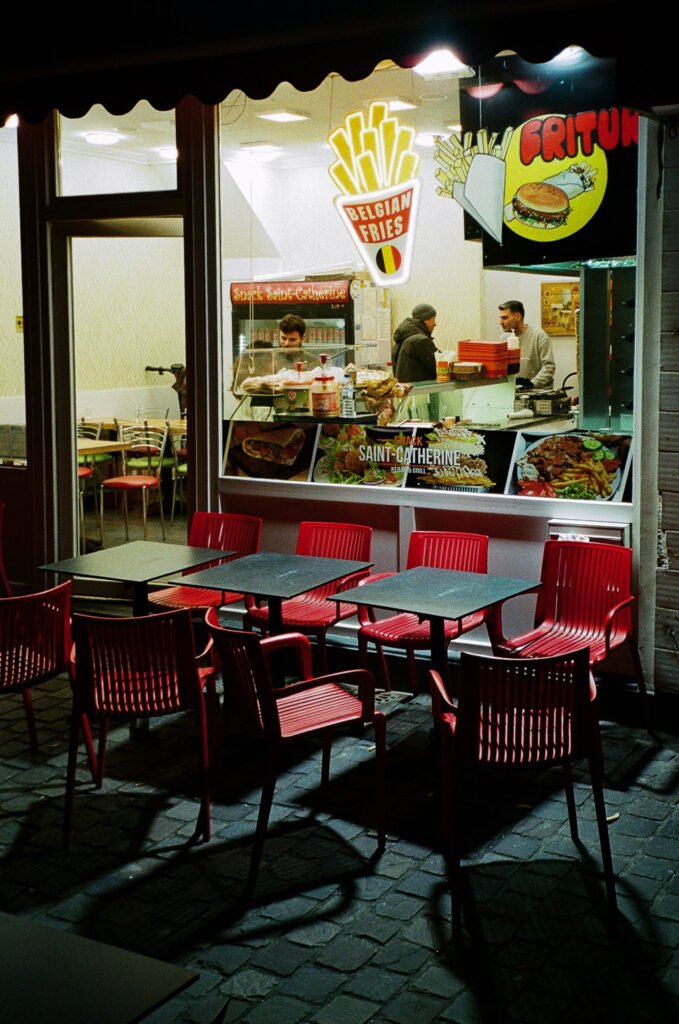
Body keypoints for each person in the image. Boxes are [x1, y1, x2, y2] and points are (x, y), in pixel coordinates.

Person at [498, 299, 555, 390]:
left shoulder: (539, 336)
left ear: (517, 317)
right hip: (514, 392)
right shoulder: (504, 338)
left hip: (537, 393)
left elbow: (549, 367)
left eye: (505, 318)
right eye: (500, 318)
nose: (500, 322)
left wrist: (531, 384)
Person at [392, 303, 439, 382]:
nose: (435, 324)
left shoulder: (403, 338)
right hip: (420, 392)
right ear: (426, 320)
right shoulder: (421, 341)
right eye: (433, 319)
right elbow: (439, 367)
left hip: (407, 391)